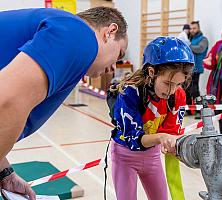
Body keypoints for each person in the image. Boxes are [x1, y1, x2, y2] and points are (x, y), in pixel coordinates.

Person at [0, 7, 128, 199]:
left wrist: (4, 172)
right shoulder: (80, 36)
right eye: (119, 55)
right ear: (109, 32)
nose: (112, 68)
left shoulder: (68, 31)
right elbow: (8, 101)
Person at [109, 36, 193, 200]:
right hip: (125, 157)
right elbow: (134, 140)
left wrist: (170, 141)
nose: (172, 90)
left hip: (152, 157)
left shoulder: (178, 95)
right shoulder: (130, 92)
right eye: (168, 83)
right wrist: (162, 137)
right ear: (151, 71)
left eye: (178, 84)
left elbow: (170, 132)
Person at [186, 21, 208, 118]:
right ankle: (189, 110)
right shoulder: (190, 39)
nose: (192, 30)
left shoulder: (203, 39)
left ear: (198, 28)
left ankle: (199, 111)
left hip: (197, 68)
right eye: (191, 28)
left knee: (195, 90)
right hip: (188, 68)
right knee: (186, 89)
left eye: (194, 28)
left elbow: (200, 49)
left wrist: (188, 45)